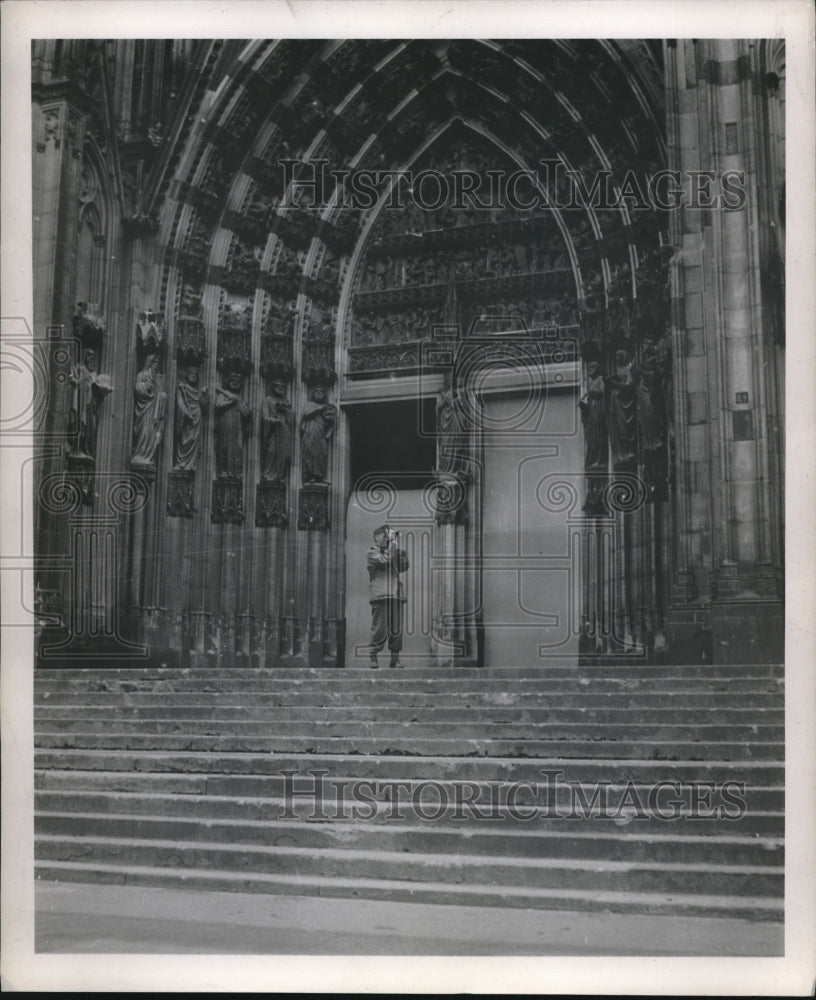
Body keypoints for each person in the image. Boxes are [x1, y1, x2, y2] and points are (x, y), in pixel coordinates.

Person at [367, 524, 410, 669]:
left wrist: (399, 550)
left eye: (388, 536)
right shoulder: (372, 553)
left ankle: (395, 659)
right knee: (379, 628)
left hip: (396, 595)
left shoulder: (392, 551)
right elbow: (384, 561)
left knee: (396, 629)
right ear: (378, 538)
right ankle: (373, 656)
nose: (387, 538)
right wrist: (391, 546)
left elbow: (404, 566)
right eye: (385, 536)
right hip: (381, 595)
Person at [131, 354, 168, 470]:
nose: (156, 365)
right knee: (144, 432)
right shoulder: (142, 375)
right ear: (149, 363)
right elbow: (137, 389)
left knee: (151, 433)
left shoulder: (157, 377)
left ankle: (148, 456)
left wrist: (161, 396)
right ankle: (140, 454)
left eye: (158, 364)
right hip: (144, 410)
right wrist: (146, 387)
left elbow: (159, 393)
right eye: (154, 363)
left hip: (154, 411)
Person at [300, 385, 337, 482]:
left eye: (322, 392)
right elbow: (305, 414)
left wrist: (330, 417)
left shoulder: (326, 407)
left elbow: (330, 422)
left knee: (322, 452)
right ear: (313, 394)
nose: (319, 394)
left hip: (321, 433)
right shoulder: (309, 404)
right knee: (310, 452)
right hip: (310, 431)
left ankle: (319, 476)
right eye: (317, 392)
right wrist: (319, 409)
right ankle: (310, 475)